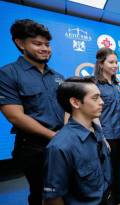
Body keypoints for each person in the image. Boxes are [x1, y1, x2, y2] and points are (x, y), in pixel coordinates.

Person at [0, 19, 65, 205]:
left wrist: (66, 134)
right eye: (37, 44)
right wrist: (53, 135)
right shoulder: (8, 74)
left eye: (47, 44)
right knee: (42, 193)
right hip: (34, 148)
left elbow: (68, 108)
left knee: (64, 190)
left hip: (61, 143)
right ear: (20, 43)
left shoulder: (58, 77)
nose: (45, 48)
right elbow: (15, 116)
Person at [43, 77, 112, 205]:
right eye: (95, 98)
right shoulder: (60, 146)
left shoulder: (97, 132)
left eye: (100, 97)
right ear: (75, 102)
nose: (102, 102)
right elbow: (53, 198)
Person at [94, 48, 120, 205]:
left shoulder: (116, 83)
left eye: (116, 62)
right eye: (111, 62)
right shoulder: (95, 84)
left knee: (117, 172)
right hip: (106, 136)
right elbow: (94, 114)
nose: (115, 65)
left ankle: (118, 201)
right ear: (101, 64)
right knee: (107, 173)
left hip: (119, 135)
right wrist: (102, 137)